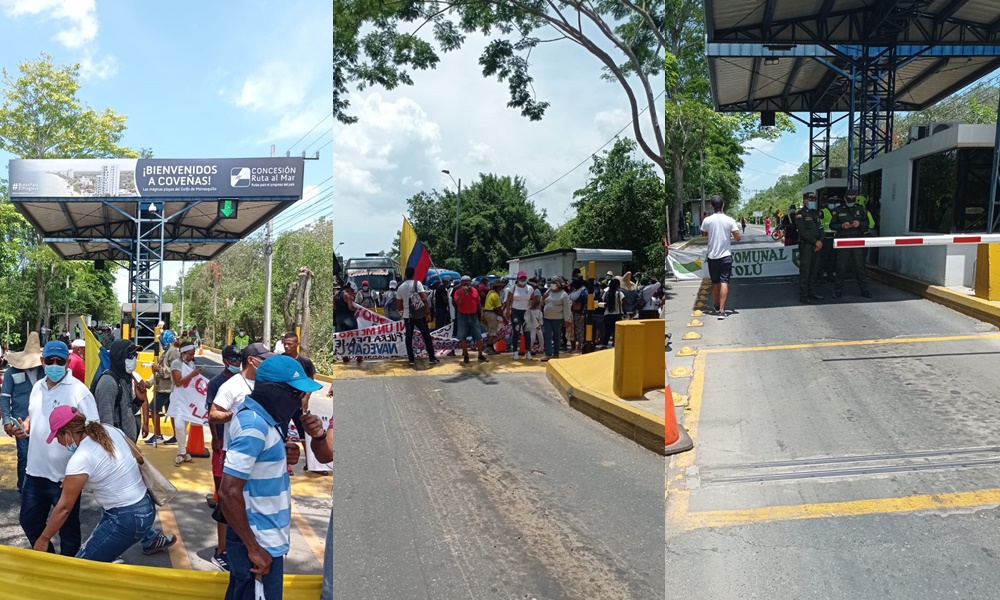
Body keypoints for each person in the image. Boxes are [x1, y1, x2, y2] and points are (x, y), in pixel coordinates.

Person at [219, 355, 324, 600]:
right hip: (258, 545)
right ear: (275, 391)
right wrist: (254, 549)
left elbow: (256, 465)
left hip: (264, 541)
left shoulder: (267, 421)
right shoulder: (253, 426)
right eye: (296, 395)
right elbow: (228, 492)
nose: (300, 404)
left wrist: (280, 455)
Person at [33, 406, 176, 562]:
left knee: (83, 565)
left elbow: (64, 508)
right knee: (98, 548)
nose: (58, 442)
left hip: (127, 518)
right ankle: (111, 558)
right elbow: (138, 455)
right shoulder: (108, 430)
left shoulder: (80, 458)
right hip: (146, 506)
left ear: (67, 433)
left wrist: (44, 539)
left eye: (57, 437)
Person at [15, 341, 100, 557]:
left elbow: (94, 431)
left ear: (67, 362)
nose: (54, 365)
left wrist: (79, 470)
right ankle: (50, 560)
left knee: (69, 530)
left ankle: (68, 570)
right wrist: (25, 425)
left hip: (65, 476)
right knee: (29, 521)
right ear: (42, 362)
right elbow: (34, 416)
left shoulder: (79, 392)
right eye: (49, 360)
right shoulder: (37, 387)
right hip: (35, 472)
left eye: (59, 361)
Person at [204, 344, 243, 571]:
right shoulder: (217, 383)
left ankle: (234, 544)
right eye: (234, 357)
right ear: (225, 359)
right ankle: (221, 549)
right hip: (223, 445)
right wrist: (216, 439)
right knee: (223, 496)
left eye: (240, 357)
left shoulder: (247, 383)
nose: (238, 361)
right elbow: (212, 413)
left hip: (239, 449)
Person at [1, 332, 45, 494]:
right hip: (20, 423)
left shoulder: (44, 371)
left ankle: (39, 489)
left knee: (42, 456)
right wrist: (6, 420)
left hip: (43, 422)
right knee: (24, 455)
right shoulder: (11, 373)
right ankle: (24, 489)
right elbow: (5, 397)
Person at [93, 339, 146, 444]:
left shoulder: (124, 379)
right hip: (117, 446)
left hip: (127, 443)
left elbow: (126, 412)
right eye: (130, 356)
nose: (134, 359)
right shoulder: (109, 383)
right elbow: (106, 424)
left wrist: (139, 400)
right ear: (119, 357)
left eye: (136, 355)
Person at [700, 195, 741, 320]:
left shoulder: (707, 220)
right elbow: (738, 238)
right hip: (725, 256)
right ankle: (722, 311)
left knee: (715, 283)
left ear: (712, 207)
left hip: (712, 256)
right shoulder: (729, 220)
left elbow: (703, 234)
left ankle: (716, 305)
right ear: (723, 205)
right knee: (724, 282)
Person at [281, 332, 315, 470]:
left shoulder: (305, 362)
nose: (287, 346)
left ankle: (312, 463)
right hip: (282, 403)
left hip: (299, 403)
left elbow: (310, 380)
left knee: (305, 432)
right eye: (285, 344)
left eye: (290, 344)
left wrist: (306, 396)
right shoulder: (279, 360)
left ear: (297, 344)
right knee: (281, 432)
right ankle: (284, 464)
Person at [167, 343, 204, 466]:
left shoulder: (190, 364)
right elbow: (178, 382)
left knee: (184, 425)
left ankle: (182, 452)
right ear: (183, 353)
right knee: (179, 426)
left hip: (187, 399)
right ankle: (182, 452)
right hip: (178, 399)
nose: (192, 357)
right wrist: (193, 374)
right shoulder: (176, 364)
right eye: (190, 354)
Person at [832, 188, 872, 299]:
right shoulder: (838, 210)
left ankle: (864, 290)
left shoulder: (860, 209)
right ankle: (838, 291)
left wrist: (859, 223)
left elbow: (867, 223)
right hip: (843, 241)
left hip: (856, 240)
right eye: (849, 200)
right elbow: (832, 225)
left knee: (859, 266)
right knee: (841, 267)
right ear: (845, 199)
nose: (851, 202)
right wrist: (841, 226)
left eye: (852, 200)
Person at [397, 266, 439, 367]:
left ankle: (411, 359)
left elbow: (398, 304)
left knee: (409, 337)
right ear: (414, 274)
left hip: (407, 316)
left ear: (405, 275)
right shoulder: (417, 284)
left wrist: (403, 310)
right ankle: (431, 357)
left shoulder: (400, 287)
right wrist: (428, 313)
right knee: (426, 336)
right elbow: (424, 299)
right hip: (419, 315)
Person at [147, 330, 178, 445]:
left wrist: (159, 370)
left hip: (167, 388)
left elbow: (175, 370)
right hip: (165, 387)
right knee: (172, 412)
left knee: (153, 409)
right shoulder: (167, 352)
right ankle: (175, 436)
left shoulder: (173, 352)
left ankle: (158, 435)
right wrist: (148, 382)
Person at [795, 192, 825, 304]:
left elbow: (821, 229)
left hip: (817, 246)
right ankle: (803, 295)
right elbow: (802, 232)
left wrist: (821, 241)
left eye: (814, 200)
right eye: (810, 200)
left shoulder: (815, 214)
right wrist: (815, 242)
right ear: (805, 200)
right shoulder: (800, 214)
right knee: (805, 271)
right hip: (807, 246)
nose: (813, 202)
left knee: (814, 270)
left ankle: (812, 292)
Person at [453, 275, 488, 364]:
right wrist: (462, 292)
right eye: (464, 282)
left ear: (470, 282)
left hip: (473, 316)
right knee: (463, 337)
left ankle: (480, 355)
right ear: (461, 283)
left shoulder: (474, 290)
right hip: (462, 316)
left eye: (467, 281)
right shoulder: (457, 291)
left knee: (478, 336)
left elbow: (478, 303)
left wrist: (482, 314)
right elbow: (457, 303)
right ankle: (465, 355)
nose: (466, 283)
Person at [540, 277, 572, 361]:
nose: (553, 284)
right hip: (547, 318)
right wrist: (543, 297)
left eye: (555, 283)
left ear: (559, 284)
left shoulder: (563, 294)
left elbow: (566, 308)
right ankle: (548, 354)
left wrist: (567, 320)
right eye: (552, 282)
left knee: (556, 336)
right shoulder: (548, 292)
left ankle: (556, 353)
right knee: (546, 334)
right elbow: (542, 303)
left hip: (558, 319)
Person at [503, 271, 534, 360]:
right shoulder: (513, 288)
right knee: (516, 331)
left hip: (526, 312)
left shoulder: (530, 288)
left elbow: (532, 298)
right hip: (516, 311)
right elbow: (508, 300)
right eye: (521, 278)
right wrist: (508, 311)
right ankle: (515, 352)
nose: (523, 280)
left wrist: (531, 305)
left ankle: (528, 351)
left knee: (527, 332)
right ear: (518, 279)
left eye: (524, 278)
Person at [334, 282, 360, 363]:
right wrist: (358, 309)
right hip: (349, 319)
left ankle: (345, 356)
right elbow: (351, 307)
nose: (352, 293)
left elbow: (334, 307)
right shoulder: (347, 295)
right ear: (350, 289)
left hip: (339, 319)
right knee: (354, 337)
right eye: (352, 291)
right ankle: (359, 356)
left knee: (343, 338)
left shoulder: (335, 295)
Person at [601, 278, 625, 348]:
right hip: (617, 314)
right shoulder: (619, 294)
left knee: (607, 331)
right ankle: (616, 344)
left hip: (607, 314)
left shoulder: (606, 293)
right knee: (617, 332)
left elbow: (603, 301)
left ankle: (604, 344)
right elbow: (623, 303)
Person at [483, 278, 505, 354]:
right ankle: (488, 347)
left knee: (490, 331)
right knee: (493, 332)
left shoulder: (490, 293)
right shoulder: (496, 295)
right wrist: (504, 318)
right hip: (491, 313)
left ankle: (491, 347)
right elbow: (499, 308)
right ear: (498, 287)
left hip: (486, 313)